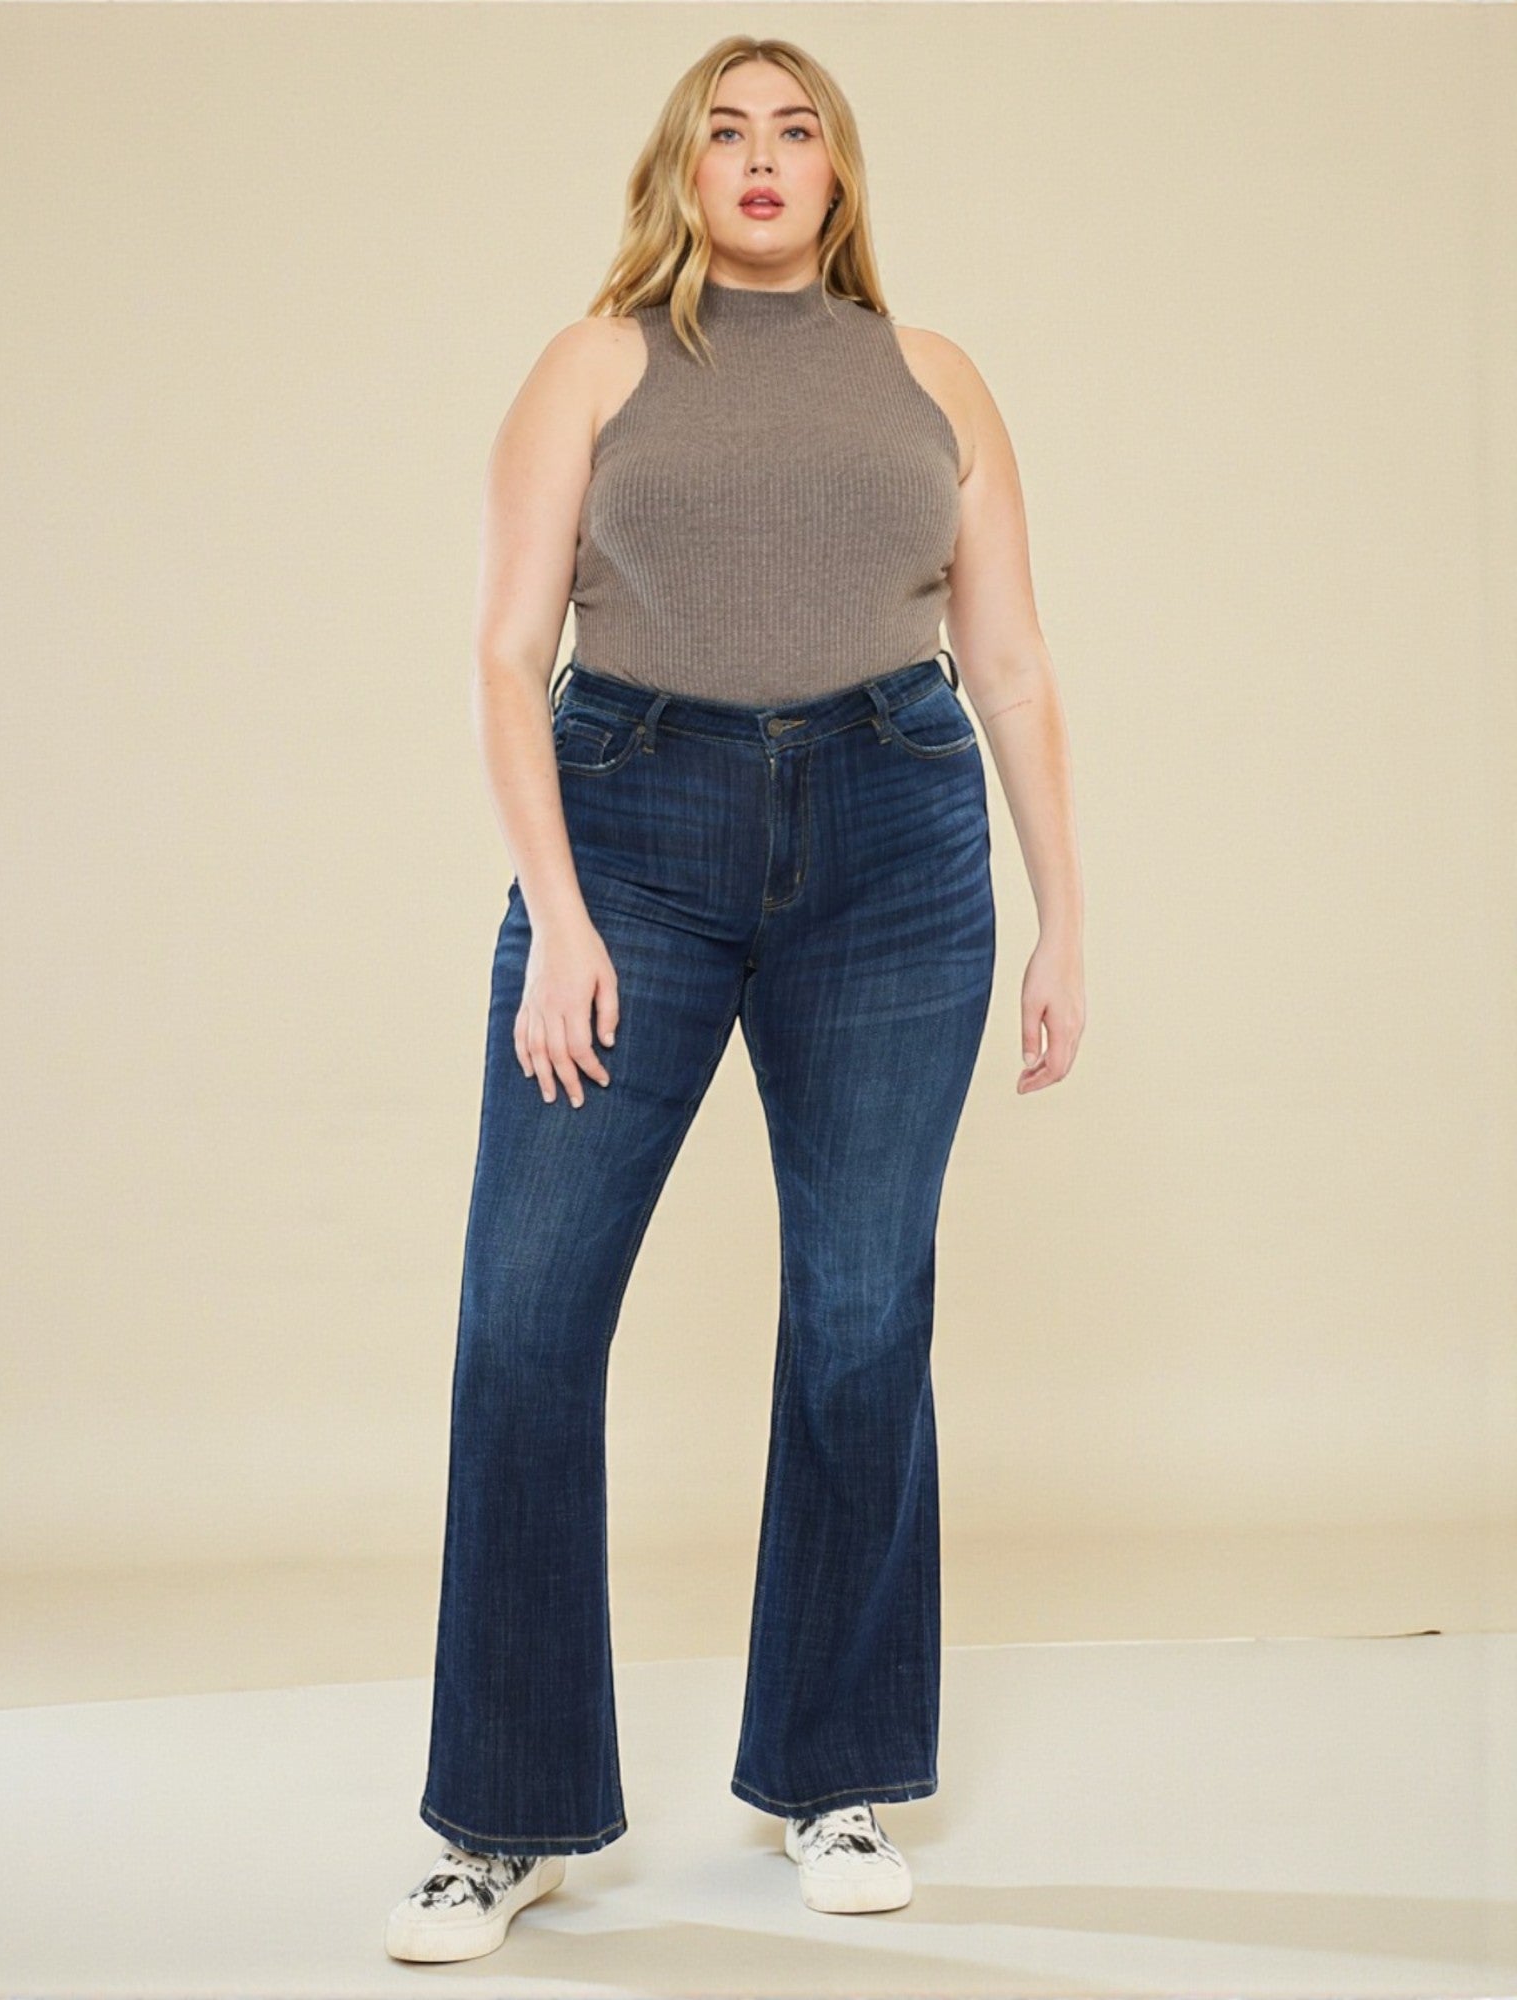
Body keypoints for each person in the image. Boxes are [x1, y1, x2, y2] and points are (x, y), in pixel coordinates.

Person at [385, 34, 1086, 1965]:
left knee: (864, 1319)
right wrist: (563, 909)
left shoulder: (931, 376)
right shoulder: (596, 363)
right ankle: (498, 1817)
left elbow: (1009, 660)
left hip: (896, 836)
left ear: (840, 174)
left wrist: (1065, 920)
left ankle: (832, 1775)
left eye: (797, 133)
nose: (763, 161)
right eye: (727, 133)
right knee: (526, 1324)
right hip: (634, 829)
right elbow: (509, 647)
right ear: (678, 175)